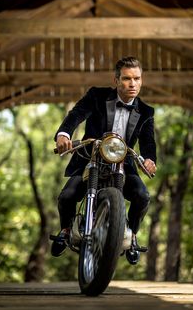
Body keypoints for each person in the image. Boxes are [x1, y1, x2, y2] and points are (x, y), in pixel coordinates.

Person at [51, 56, 157, 265]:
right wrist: (63, 134)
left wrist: (149, 159)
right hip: (90, 156)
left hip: (123, 163)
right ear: (116, 80)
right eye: (127, 78)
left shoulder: (146, 111)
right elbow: (76, 114)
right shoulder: (97, 96)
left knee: (142, 196)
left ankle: (132, 235)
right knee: (67, 195)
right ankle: (65, 230)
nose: (132, 84)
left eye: (137, 78)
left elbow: (148, 142)